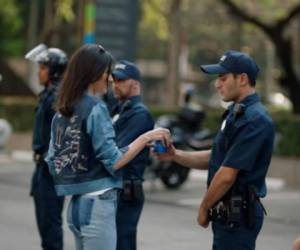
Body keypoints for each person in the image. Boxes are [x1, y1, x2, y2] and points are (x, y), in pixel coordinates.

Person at [45, 44, 171, 250]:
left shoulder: (63, 110)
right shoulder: (96, 108)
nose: (109, 79)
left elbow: (52, 161)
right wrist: (147, 136)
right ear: (93, 74)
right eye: (106, 73)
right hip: (98, 205)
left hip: (75, 206)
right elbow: (114, 161)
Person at [157, 50, 275, 250]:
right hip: (228, 216)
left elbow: (227, 174)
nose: (217, 83)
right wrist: (175, 155)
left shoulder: (254, 120)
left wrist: (204, 207)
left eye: (223, 77)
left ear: (243, 79)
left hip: (237, 217)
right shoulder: (235, 113)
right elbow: (215, 157)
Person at [26, 45, 68, 250]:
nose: (39, 72)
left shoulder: (57, 98)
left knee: (50, 226)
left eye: (43, 68)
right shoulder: (48, 94)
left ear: (54, 70)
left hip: (50, 170)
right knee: (45, 224)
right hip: (42, 167)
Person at [111, 60, 154, 250]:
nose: (115, 84)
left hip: (127, 189)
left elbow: (115, 150)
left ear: (135, 83)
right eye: (113, 80)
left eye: (121, 80)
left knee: (122, 243)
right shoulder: (119, 109)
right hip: (115, 188)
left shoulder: (140, 114)